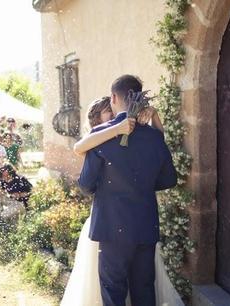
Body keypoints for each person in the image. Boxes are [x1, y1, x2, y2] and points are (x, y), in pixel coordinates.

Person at [78, 75, 177, 306]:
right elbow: (169, 179)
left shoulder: (101, 136)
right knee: (144, 289)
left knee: (113, 293)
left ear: (114, 97)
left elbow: (85, 185)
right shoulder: (154, 136)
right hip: (145, 226)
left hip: (112, 229)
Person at [61, 95, 163, 305]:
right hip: (110, 221)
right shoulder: (98, 138)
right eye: (109, 111)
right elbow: (79, 148)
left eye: (112, 108)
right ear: (97, 119)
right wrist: (116, 130)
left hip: (123, 223)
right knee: (109, 284)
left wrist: (154, 116)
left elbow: (159, 146)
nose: (115, 114)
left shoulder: (134, 134)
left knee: (128, 284)